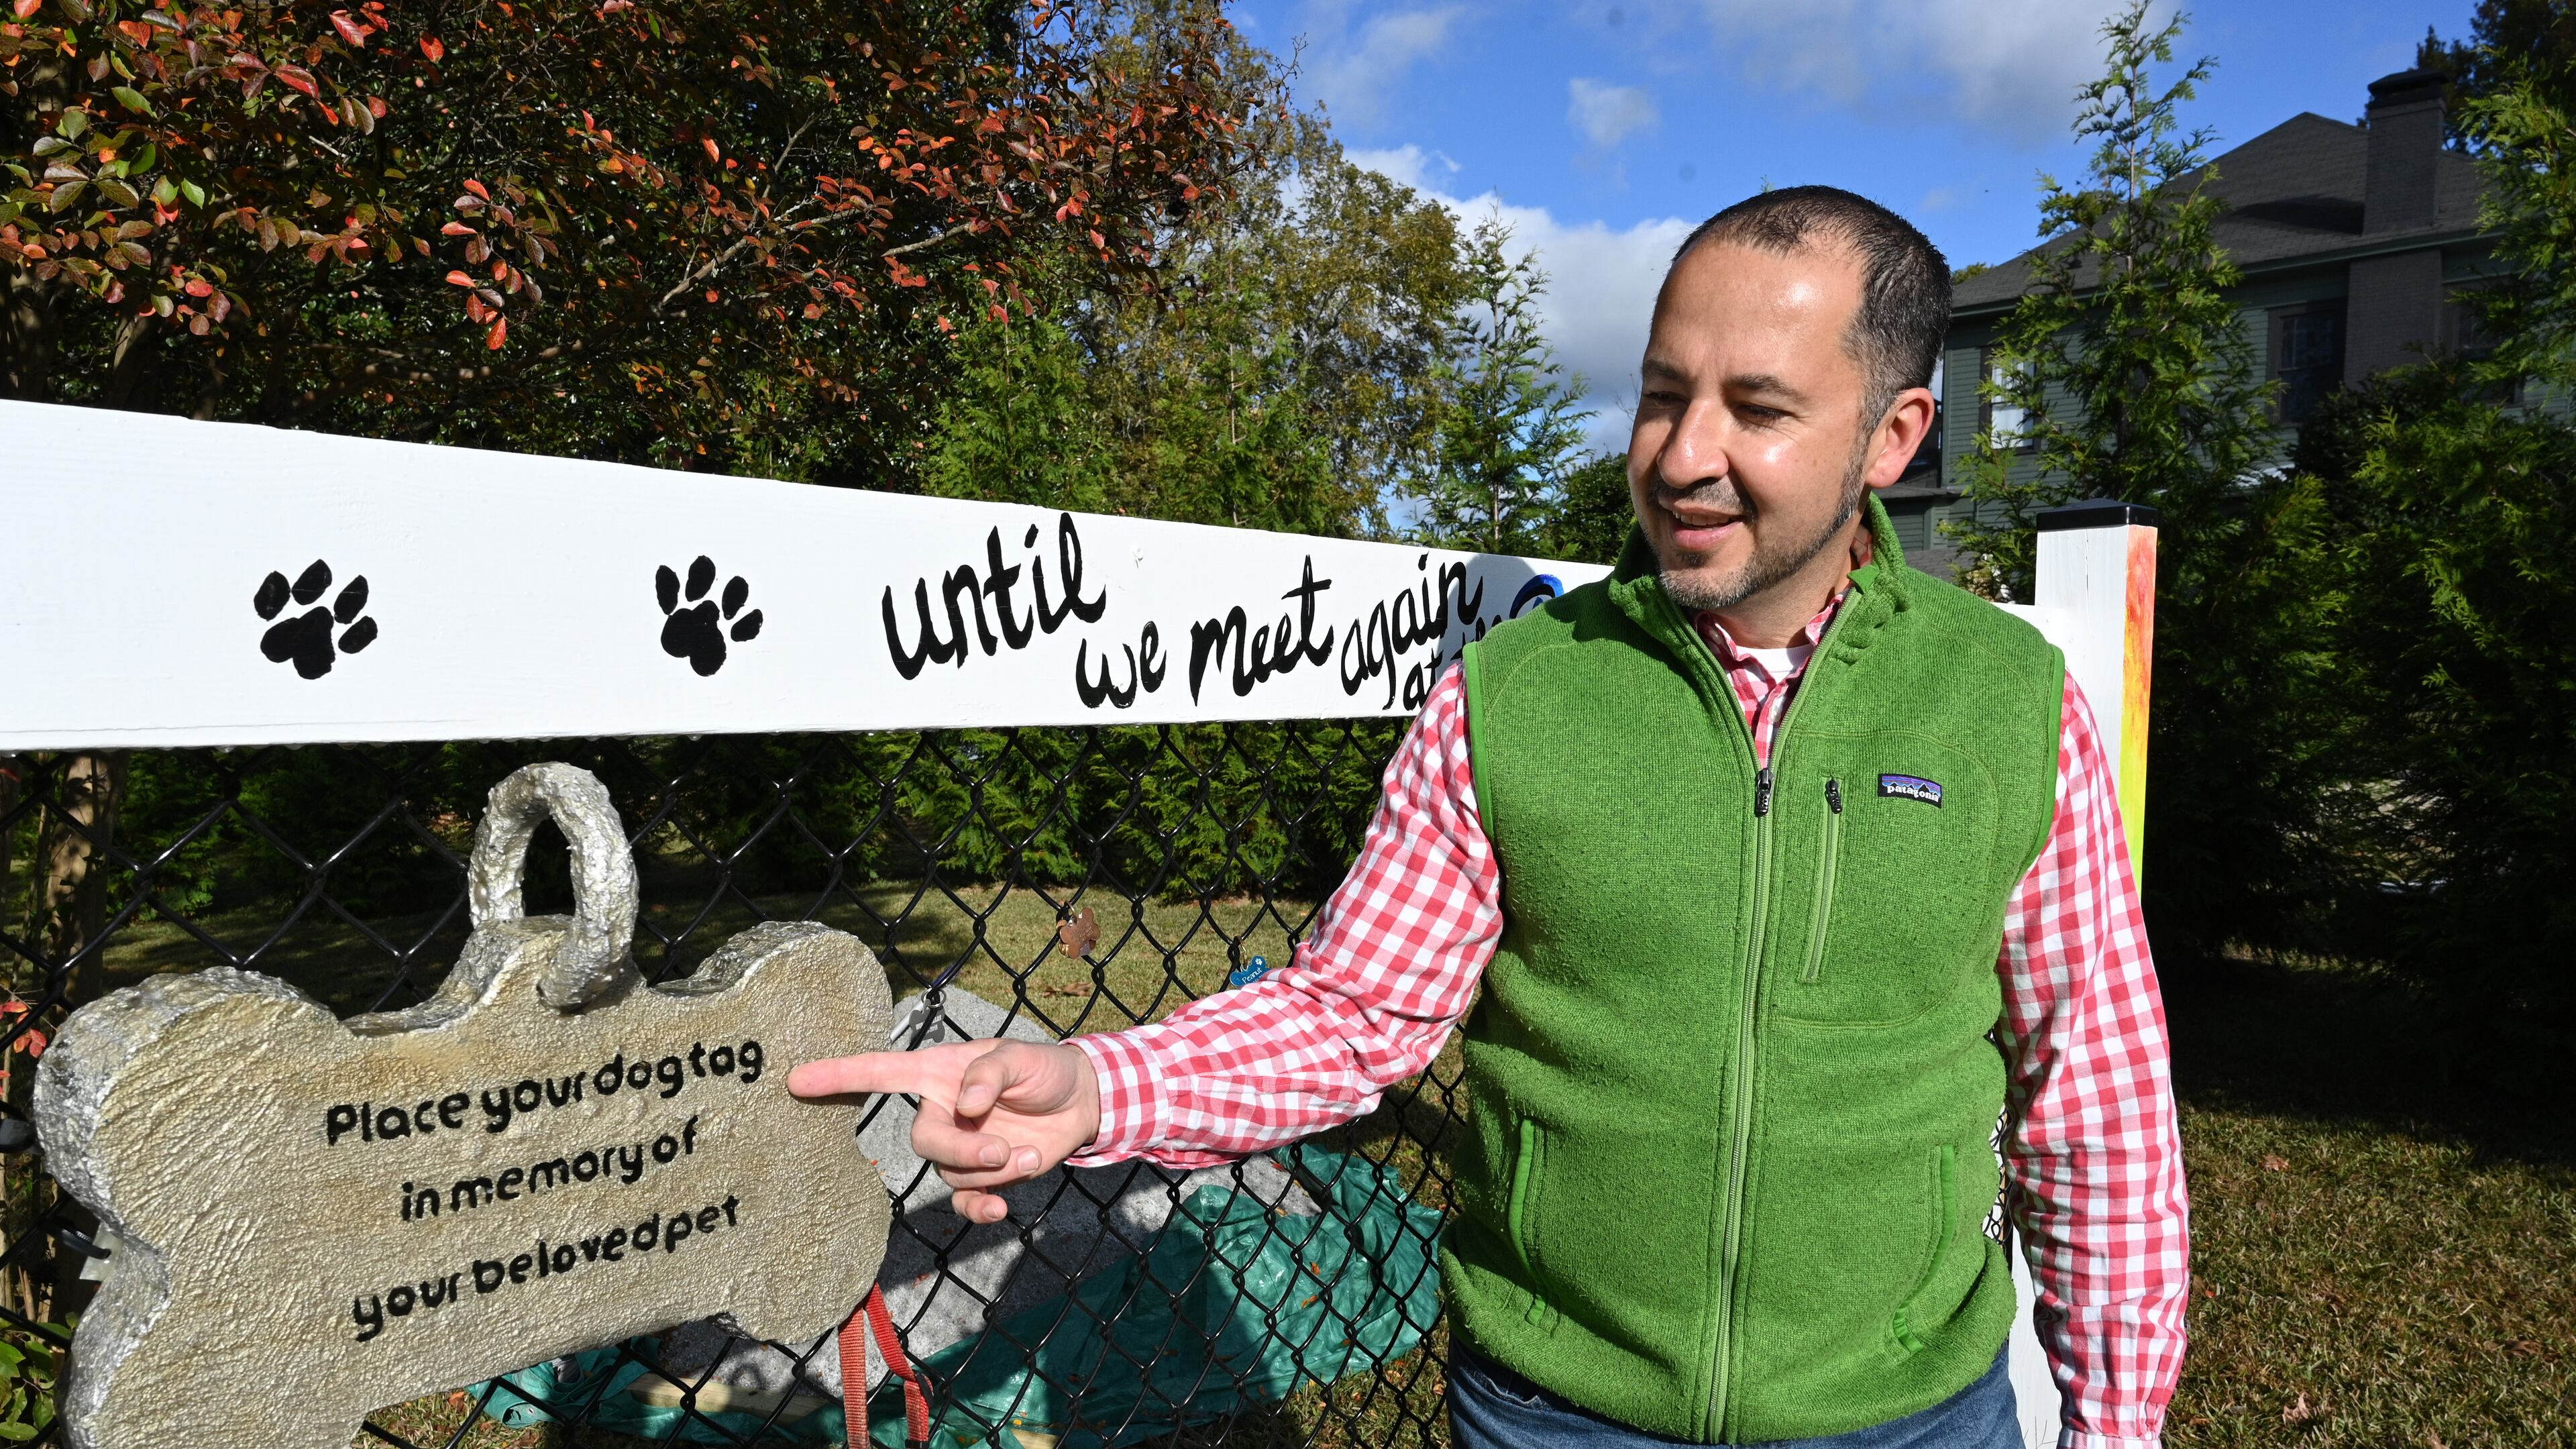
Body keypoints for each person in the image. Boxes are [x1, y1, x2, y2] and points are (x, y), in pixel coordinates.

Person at [790, 185, 2188, 1449]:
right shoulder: (1512, 697)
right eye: (1661, 394)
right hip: (1556, 1415)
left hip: (1905, 1418)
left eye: (1757, 410)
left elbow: (2098, 1108)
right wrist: (1098, 1088)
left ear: (1893, 437)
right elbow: (1351, 1016)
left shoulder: (2010, 704)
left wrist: (2113, 1434)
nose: (1684, 455)